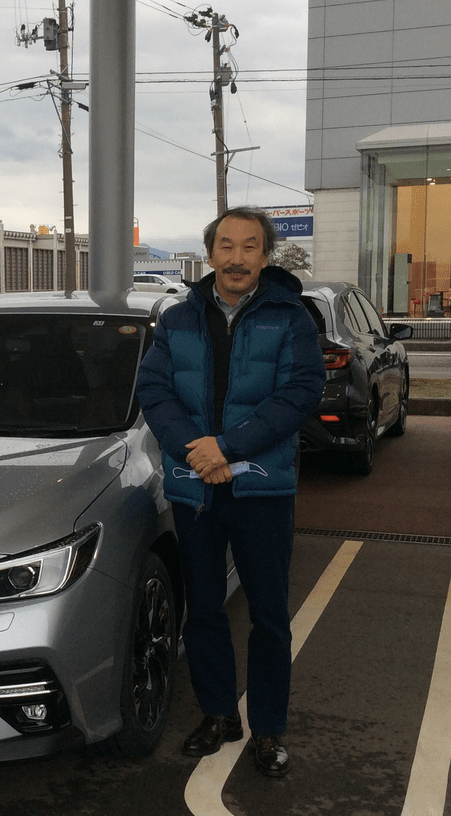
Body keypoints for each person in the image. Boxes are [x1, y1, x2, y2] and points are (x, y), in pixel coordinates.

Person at [135, 206, 325, 778]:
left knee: (268, 614)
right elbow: (154, 389)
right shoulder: (178, 318)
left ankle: (267, 729)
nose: (236, 258)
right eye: (225, 246)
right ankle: (219, 714)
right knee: (204, 610)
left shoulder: (291, 317)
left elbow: (300, 393)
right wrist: (196, 450)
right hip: (195, 488)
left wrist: (228, 448)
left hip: (262, 492)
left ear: (265, 255)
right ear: (209, 253)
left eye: (248, 246)